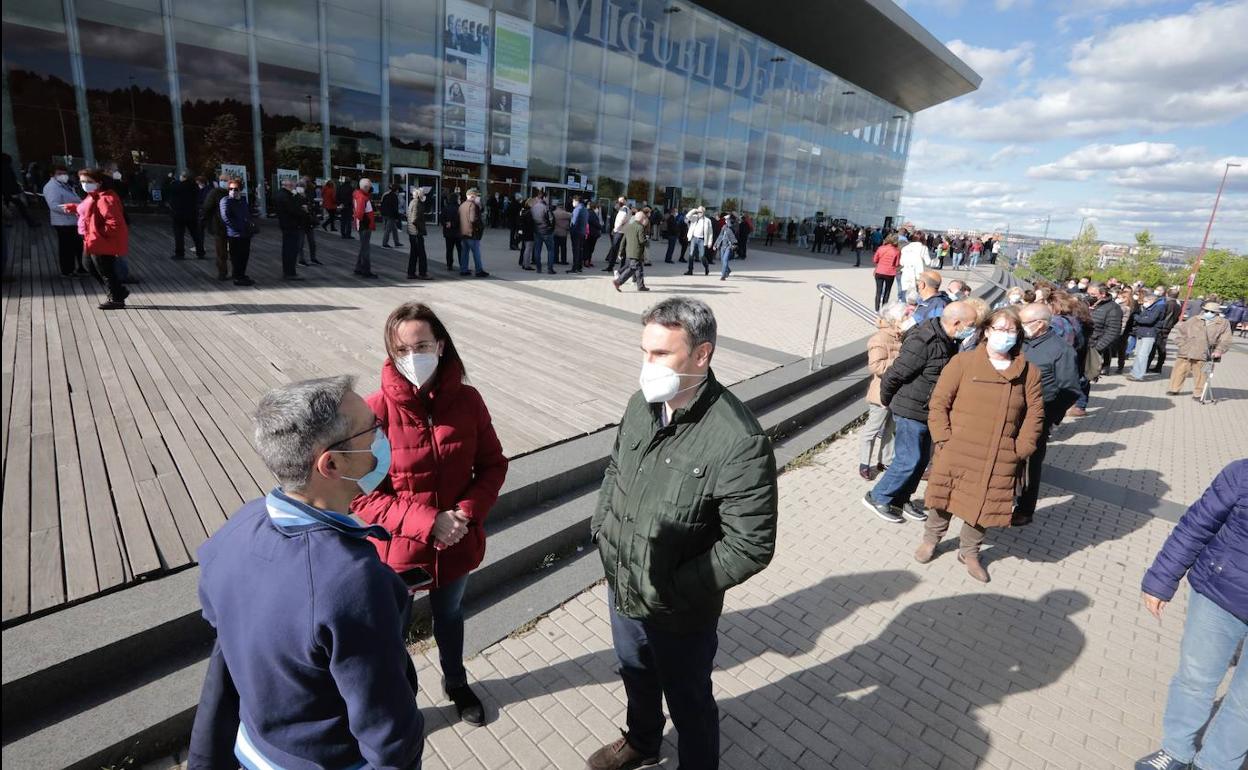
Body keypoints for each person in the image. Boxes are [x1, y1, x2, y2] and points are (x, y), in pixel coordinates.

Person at [188, 376, 426, 770]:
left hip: (253, 748)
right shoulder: (352, 581)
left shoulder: (237, 527)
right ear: (331, 464)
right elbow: (388, 732)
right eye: (372, 429)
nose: (383, 437)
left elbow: (223, 625)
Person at [587, 298, 778, 770]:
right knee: (636, 675)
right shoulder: (642, 403)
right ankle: (642, 741)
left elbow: (749, 545)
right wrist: (603, 529)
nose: (646, 366)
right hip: (623, 584)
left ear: (702, 354)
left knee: (690, 702)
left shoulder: (739, 440)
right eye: (644, 351)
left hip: (680, 611)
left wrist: (671, 590)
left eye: (660, 355)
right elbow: (617, 468)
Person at [352, 303, 508, 727]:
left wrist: (464, 513)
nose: (412, 357)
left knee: (451, 616)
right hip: (400, 553)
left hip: (457, 542)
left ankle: (456, 682)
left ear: (440, 345)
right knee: (392, 632)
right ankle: (402, 697)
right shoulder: (374, 412)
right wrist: (427, 521)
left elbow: (494, 464)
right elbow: (361, 497)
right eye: (401, 350)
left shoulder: (469, 401)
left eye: (421, 345)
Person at [917, 307, 1044, 582]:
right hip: (957, 449)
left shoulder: (1028, 372)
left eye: (1011, 331)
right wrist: (943, 438)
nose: (1005, 335)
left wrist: (1021, 449)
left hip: (999, 456)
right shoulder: (963, 363)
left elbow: (1035, 415)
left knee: (982, 507)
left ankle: (970, 552)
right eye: (999, 329)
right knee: (943, 498)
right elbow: (939, 403)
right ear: (986, 331)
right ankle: (931, 539)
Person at [1135, 460, 1246, 770]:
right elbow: (1197, 523)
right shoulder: (1242, 474)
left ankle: (1216, 764)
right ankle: (1175, 750)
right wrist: (1161, 578)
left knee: (1245, 705)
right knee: (1194, 679)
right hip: (1218, 596)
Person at [863, 302, 978, 524]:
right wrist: (889, 401)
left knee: (921, 459)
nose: (972, 329)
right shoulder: (923, 341)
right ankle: (878, 496)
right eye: (970, 325)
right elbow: (895, 374)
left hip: (928, 410)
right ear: (956, 323)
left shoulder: (948, 339)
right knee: (909, 459)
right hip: (910, 410)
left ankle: (901, 499)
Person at [1016, 303, 1082, 524]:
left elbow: (1070, 390)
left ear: (1040, 324)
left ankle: (1025, 510)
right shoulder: (1020, 341)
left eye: (1024, 323)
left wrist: (1047, 418)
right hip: (1010, 413)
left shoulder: (1061, 351)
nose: (1020, 326)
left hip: (1036, 418)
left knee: (1030, 465)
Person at [61, 168, 130, 309]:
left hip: (100, 240)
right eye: (82, 182)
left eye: (88, 181)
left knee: (104, 270)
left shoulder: (105, 198)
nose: (85, 184)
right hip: (91, 238)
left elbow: (114, 223)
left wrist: (99, 233)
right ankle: (118, 291)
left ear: (99, 182)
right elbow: (87, 210)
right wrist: (74, 208)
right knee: (89, 266)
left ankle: (116, 298)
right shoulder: (93, 195)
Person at [860, 303, 905, 479]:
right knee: (872, 429)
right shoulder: (879, 339)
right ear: (894, 320)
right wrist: (900, 364)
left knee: (891, 430)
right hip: (881, 393)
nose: (906, 321)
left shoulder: (900, 336)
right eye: (904, 318)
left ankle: (885, 461)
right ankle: (864, 462)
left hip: (896, 392)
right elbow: (875, 366)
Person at [1166, 302, 1233, 400]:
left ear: (1217, 313)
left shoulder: (1223, 323)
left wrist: (1219, 350)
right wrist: (1181, 344)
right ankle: (1174, 389)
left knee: (1202, 374)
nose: (1208, 313)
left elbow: (1226, 339)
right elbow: (1181, 332)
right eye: (1206, 311)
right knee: (1179, 371)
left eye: (1212, 311)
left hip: (1206, 353)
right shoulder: (1194, 319)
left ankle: (1199, 393)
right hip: (1186, 351)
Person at [43, 164, 86, 276]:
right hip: (63, 222)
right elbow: (53, 205)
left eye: (64, 173)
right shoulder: (52, 187)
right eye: (59, 173)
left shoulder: (64, 184)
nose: (63, 175)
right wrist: (74, 209)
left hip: (72, 221)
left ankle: (82, 268)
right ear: (52, 174)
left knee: (78, 246)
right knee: (67, 248)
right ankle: (67, 270)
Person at [219, 177, 254, 286]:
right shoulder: (225, 201)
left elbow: (247, 214)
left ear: (240, 190)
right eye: (230, 189)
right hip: (234, 234)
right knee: (236, 256)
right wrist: (238, 227)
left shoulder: (242, 200)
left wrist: (249, 226)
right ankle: (238, 277)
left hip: (245, 233)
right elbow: (226, 218)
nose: (233, 191)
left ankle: (241, 275)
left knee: (244, 255)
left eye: (236, 189)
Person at [1129, 289, 1166, 381]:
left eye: (1145, 301)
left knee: (1143, 355)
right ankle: (1135, 372)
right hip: (1143, 332)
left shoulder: (1158, 307)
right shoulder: (1152, 306)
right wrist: (1141, 318)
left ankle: (1138, 375)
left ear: (1151, 300)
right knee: (1138, 354)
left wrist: (1136, 317)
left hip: (1149, 333)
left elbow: (1149, 320)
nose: (1144, 303)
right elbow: (1144, 318)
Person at [1087, 282, 1123, 375]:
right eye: (1088, 294)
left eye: (1093, 295)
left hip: (1093, 349)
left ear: (1102, 294)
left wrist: (1096, 349)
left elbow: (1113, 332)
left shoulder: (1113, 308)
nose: (1090, 297)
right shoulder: (1087, 305)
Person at [612, 210, 651, 292]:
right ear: (641, 219)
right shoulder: (640, 227)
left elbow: (623, 240)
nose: (645, 220)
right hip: (636, 252)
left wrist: (621, 251)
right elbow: (642, 240)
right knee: (632, 268)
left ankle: (641, 286)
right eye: (644, 218)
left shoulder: (629, 226)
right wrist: (647, 241)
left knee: (639, 269)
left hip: (629, 251)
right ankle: (618, 281)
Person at [201, 174, 231, 280]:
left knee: (229, 250)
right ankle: (222, 273)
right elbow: (207, 207)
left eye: (225, 180)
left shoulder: (231, 192)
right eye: (222, 180)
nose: (223, 181)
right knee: (221, 251)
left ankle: (233, 272)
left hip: (230, 226)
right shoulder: (215, 192)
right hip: (219, 225)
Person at [169, 171, 204, 260]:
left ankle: (180, 253)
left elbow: (171, 194)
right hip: (192, 214)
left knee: (179, 235)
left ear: (184, 177)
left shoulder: (177, 186)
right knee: (195, 234)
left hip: (179, 214)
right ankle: (200, 252)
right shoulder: (195, 187)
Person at [274, 179, 304, 280]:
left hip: (286, 224)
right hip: (291, 225)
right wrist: (298, 197)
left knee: (288, 249)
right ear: (289, 186)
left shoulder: (280, 194)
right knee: (291, 250)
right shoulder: (286, 196)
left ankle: (289, 271)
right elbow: (294, 209)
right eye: (293, 186)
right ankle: (290, 272)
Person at [1149, 287, 1183, 373]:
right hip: (1167, 328)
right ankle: (1159, 365)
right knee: (1161, 347)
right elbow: (1176, 319)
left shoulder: (1165, 304)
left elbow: (1160, 316)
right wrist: (1171, 325)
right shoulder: (1178, 306)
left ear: (1167, 294)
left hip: (1160, 327)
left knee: (1155, 347)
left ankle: (1150, 366)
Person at [455, 188, 487, 277]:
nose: (478, 197)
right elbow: (473, 219)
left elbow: (458, 219)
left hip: (463, 233)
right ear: (473, 196)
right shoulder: (473, 206)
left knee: (464, 253)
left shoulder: (462, 205)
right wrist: (481, 226)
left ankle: (463, 269)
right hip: (472, 234)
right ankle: (479, 270)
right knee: (476, 253)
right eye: (477, 196)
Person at [350, 178, 378, 277]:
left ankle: (359, 268)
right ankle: (366, 270)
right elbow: (360, 213)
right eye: (370, 187)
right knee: (365, 249)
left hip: (363, 225)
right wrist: (365, 221)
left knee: (363, 247)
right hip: (365, 226)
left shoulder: (359, 195)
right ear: (366, 187)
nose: (371, 188)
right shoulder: (362, 197)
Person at [295, 178, 322, 267]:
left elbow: (311, 206)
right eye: (300, 186)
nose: (301, 188)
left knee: (312, 242)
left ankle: (313, 258)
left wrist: (309, 209)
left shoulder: (307, 195)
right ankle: (301, 259)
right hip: (300, 222)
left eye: (303, 186)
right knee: (301, 243)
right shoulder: (295, 197)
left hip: (308, 222)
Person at [406, 186, 431, 280]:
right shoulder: (417, 203)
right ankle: (422, 273)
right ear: (420, 195)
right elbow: (414, 219)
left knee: (414, 254)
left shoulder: (412, 202)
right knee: (421, 254)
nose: (424, 195)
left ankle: (411, 273)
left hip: (412, 232)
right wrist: (422, 228)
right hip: (416, 232)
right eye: (423, 194)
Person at [897, 231, 929, 305]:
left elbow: (901, 262)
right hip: (918, 274)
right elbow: (928, 262)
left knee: (904, 292)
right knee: (916, 295)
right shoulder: (923, 248)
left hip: (906, 272)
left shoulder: (905, 247)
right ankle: (913, 312)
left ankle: (903, 310)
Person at [871, 234, 901, 311]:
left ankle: (876, 310)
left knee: (878, 291)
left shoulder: (881, 248)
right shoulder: (897, 251)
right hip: (890, 273)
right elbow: (897, 264)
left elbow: (875, 260)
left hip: (879, 271)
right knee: (887, 292)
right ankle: (883, 310)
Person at [529, 190, 556, 274]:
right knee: (551, 250)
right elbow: (551, 220)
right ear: (544, 197)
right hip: (547, 232)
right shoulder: (546, 207)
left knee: (537, 250)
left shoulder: (533, 207)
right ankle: (550, 269)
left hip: (537, 231)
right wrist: (551, 228)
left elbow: (531, 220)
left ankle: (538, 268)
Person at [603, 197, 630, 272]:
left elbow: (621, 221)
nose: (618, 202)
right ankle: (619, 266)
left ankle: (613, 267)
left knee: (616, 249)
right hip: (622, 231)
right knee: (620, 249)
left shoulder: (624, 210)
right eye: (619, 201)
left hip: (620, 232)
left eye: (620, 201)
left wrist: (615, 229)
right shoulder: (625, 209)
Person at [684, 208, 712, 276]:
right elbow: (687, 216)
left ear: (704, 212)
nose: (700, 213)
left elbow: (710, 232)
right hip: (694, 238)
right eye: (699, 212)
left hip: (701, 239)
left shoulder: (707, 220)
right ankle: (690, 270)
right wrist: (694, 210)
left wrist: (709, 242)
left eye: (701, 212)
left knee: (702, 256)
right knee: (691, 255)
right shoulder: (694, 217)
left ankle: (706, 267)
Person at [713, 213, 738, 281]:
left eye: (727, 219)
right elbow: (720, 236)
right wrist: (715, 245)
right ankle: (728, 270)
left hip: (729, 246)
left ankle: (723, 275)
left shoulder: (733, 227)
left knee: (725, 260)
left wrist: (729, 219)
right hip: (722, 246)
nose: (725, 221)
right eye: (725, 219)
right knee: (722, 261)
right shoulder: (724, 227)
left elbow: (731, 228)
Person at [380, 183, 404, 249]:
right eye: (398, 190)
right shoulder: (394, 197)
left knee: (394, 229)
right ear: (396, 190)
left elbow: (382, 204)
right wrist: (397, 217)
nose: (398, 191)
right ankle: (384, 243)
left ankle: (397, 242)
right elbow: (395, 208)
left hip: (386, 214)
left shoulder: (386, 195)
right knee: (388, 229)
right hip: (391, 215)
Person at [568, 194, 588, 273]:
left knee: (575, 251)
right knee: (580, 250)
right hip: (582, 232)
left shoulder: (577, 209)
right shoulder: (585, 209)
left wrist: (571, 231)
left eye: (573, 201)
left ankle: (574, 268)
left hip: (576, 233)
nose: (572, 202)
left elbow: (574, 221)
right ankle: (579, 267)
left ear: (576, 201)